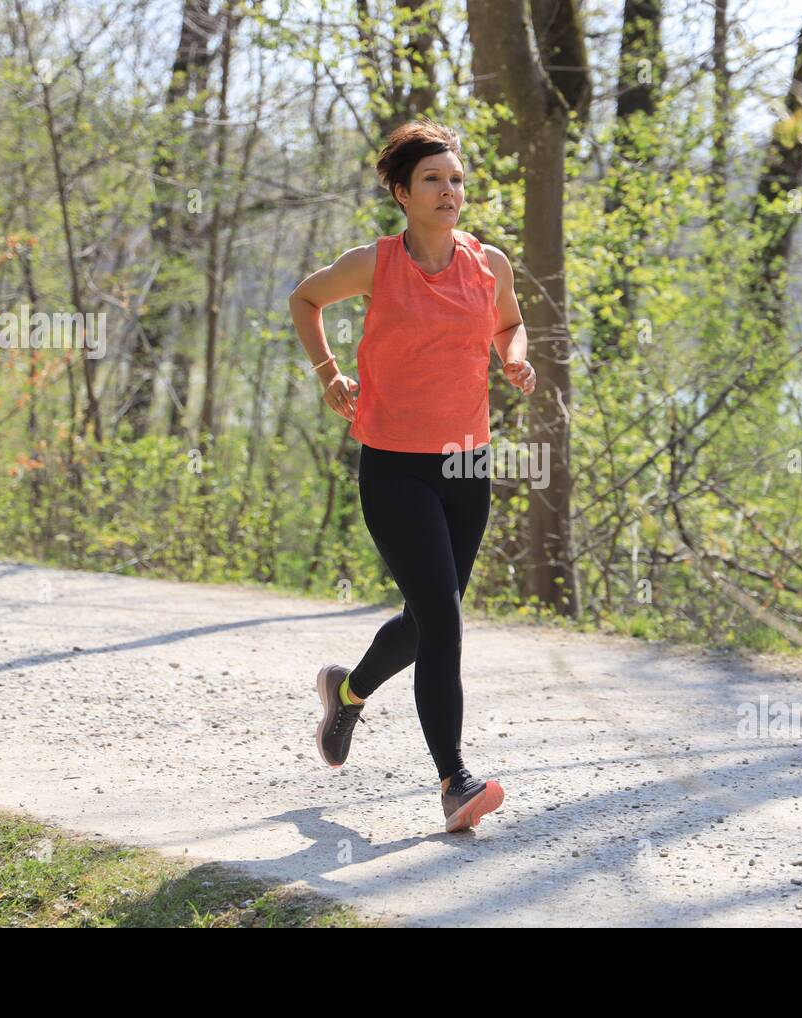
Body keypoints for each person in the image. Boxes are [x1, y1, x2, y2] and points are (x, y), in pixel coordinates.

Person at [287, 116, 535, 833]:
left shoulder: (489, 264)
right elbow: (305, 299)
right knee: (445, 622)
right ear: (401, 190)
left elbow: (507, 323)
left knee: (431, 619)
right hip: (394, 465)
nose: (449, 190)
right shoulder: (375, 262)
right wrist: (328, 373)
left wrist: (513, 354)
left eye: (456, 178)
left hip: (467, 462)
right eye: (433, 178)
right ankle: (455, 781)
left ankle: (348, 692)